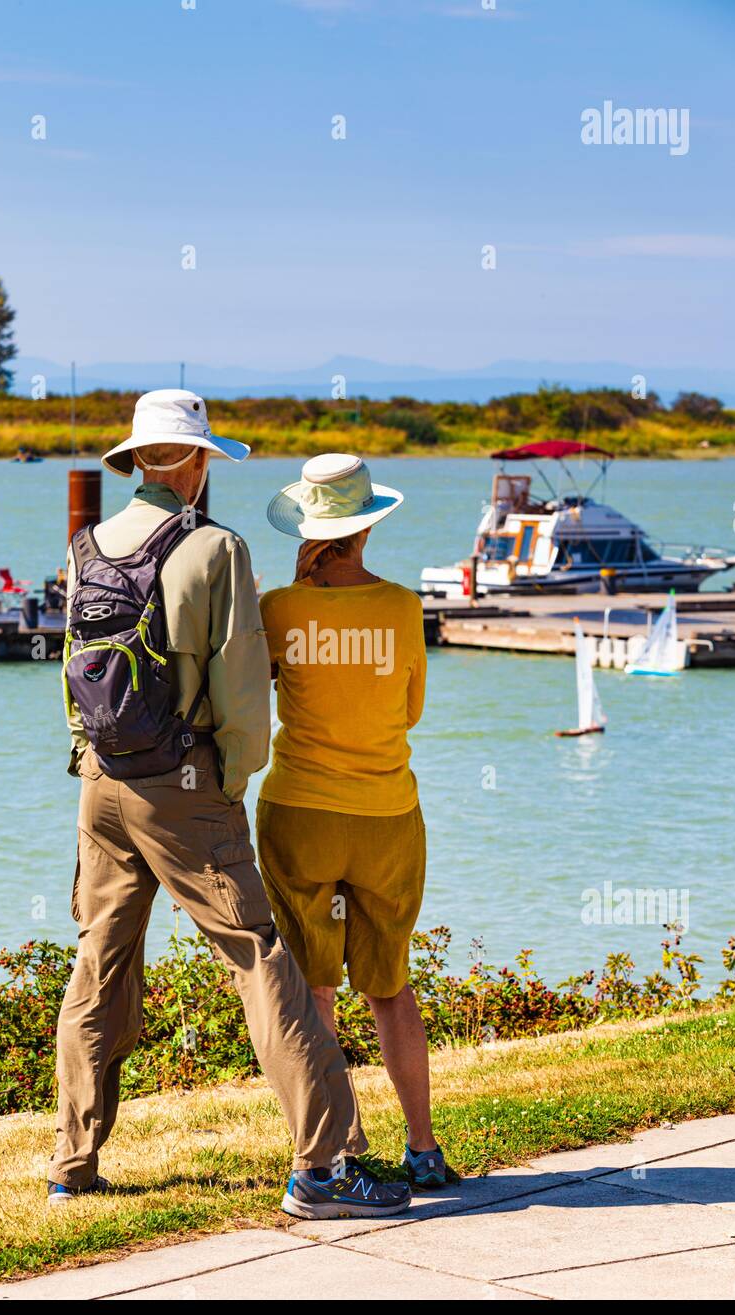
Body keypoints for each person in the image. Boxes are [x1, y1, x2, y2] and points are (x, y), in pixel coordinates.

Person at [48, 391, 411, 1220]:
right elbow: (244, 697)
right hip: (186, 790)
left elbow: (69, 674)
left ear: (136, 459)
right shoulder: (218, 550)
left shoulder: (87, 545)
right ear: (201, 460)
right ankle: (323, 1170)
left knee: (99, 961)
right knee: (260, 959)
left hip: (101, 783)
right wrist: (230, 783)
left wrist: (92, 759)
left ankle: (72, 1161)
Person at [256, 452, 446, 1189]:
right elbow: (411, 711)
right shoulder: (402, 607)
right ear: (367, 528)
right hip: (385, 813)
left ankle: (334, 1151)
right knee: (390, 985)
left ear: (308, 527)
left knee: (315, 987)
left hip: (299, 809)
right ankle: (423, 1149)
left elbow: (250, 695)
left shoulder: (278, 608)